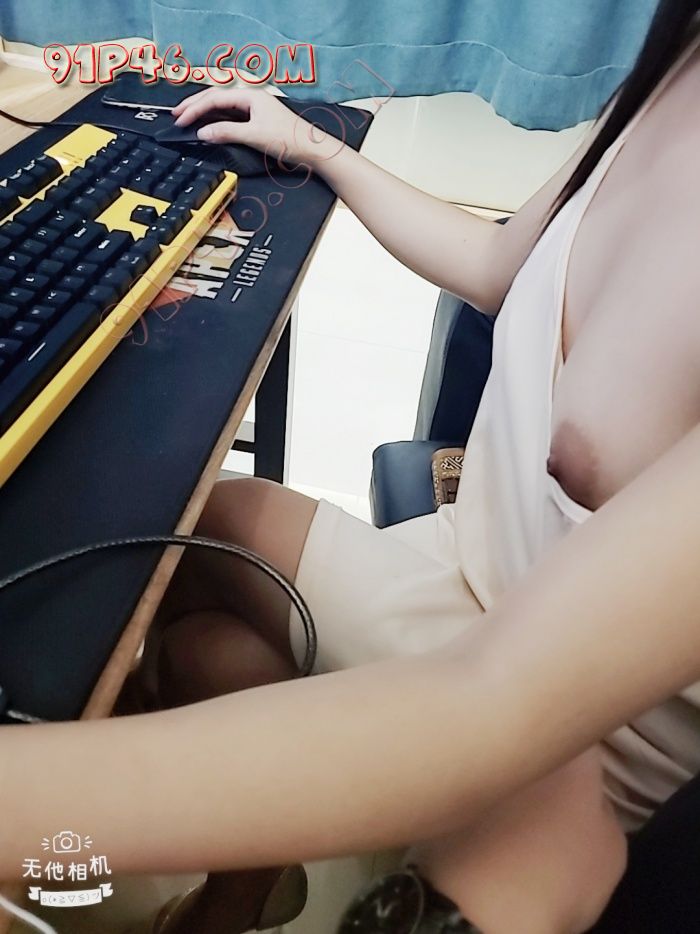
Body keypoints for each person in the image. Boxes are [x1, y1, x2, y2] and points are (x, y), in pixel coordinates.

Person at [3, 3, 700, 932]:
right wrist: (315, 147)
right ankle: (246, 892)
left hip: (575, 732)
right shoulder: (673, 68)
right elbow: (500, 263)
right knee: (188, 558)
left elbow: (493, 700)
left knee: (171, 596)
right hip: (466, 567)